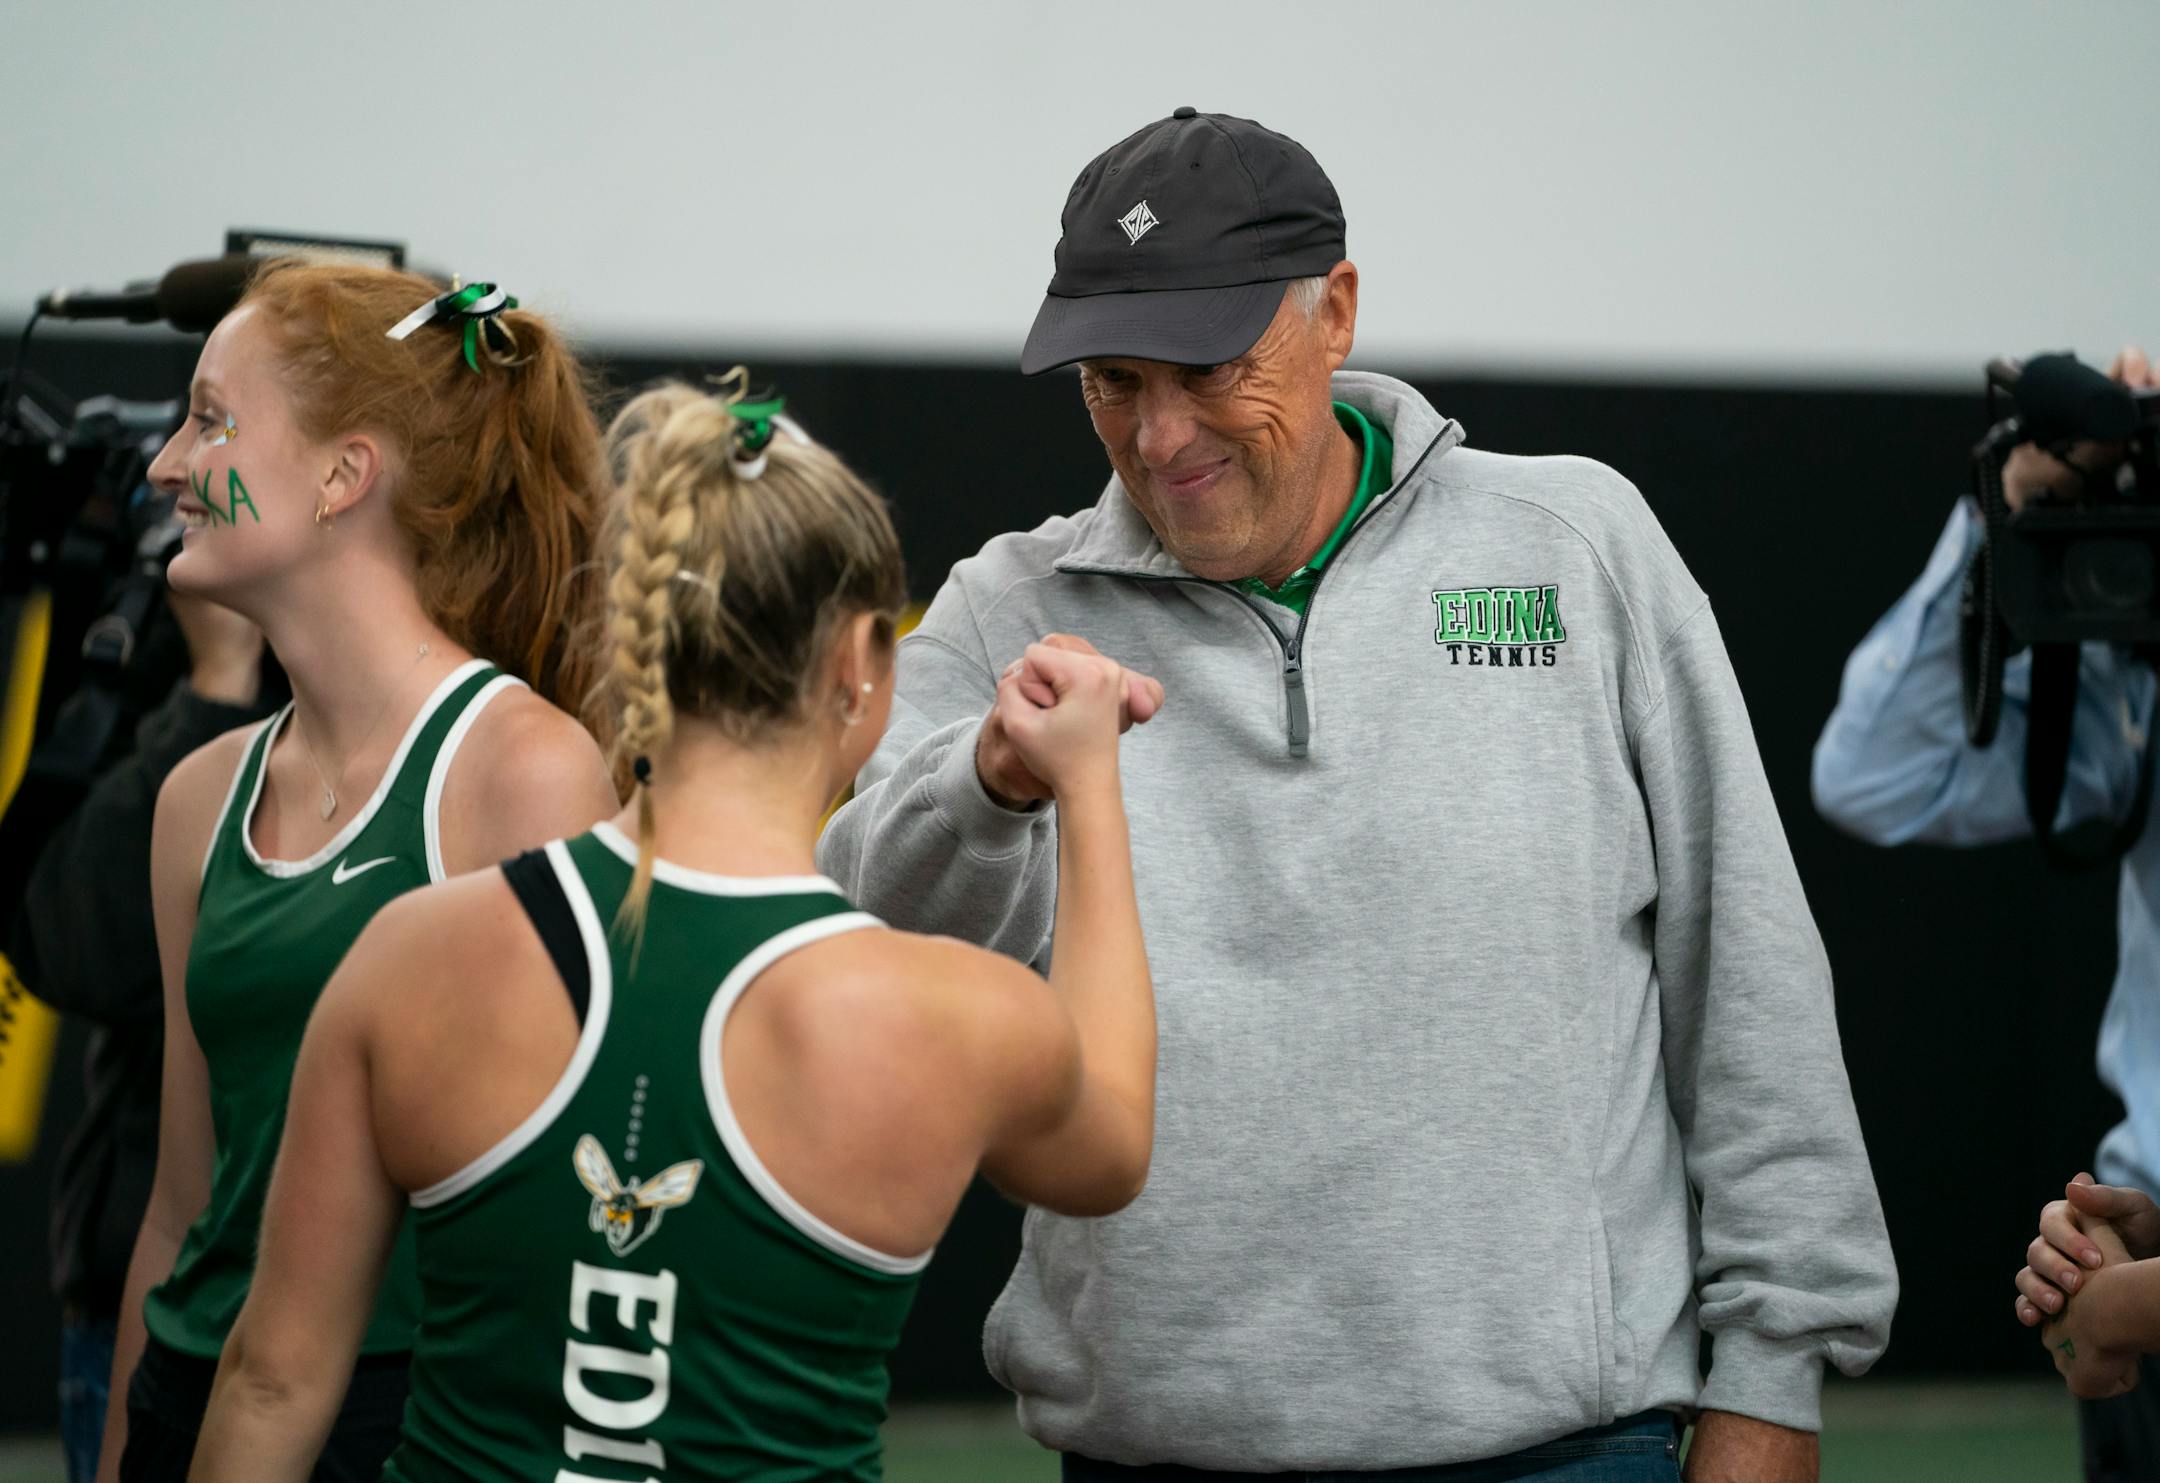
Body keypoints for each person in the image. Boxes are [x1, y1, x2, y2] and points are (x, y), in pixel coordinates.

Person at [819, 107, 1897, 1482]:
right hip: (1157, 1452)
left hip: (1569, 1449)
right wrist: (987, 786)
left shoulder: (1576, 546)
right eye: (1109, 379)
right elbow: (852, 961)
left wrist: (1773, 1378)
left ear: (1333, 310)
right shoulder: (1005, 612)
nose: (1157, 436)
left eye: (1206, 364)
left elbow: (1746, 972)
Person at [181, 379, 1159, 1482]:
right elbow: (1115, 1140)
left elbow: (271, 1380)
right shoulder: (944, 1018)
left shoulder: (411, 957)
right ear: (860, 667)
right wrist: (1089, 783)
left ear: (623, 640)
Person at [96, 262, 620, 1483]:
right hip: (194, 1398)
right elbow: (182, 1211)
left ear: (346, 474)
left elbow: (578, 1232)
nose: (167, 464)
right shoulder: (197, 801)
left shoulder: (525, 776)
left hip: (411, 1432)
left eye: (211, 418)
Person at [1813, 349, 2160, 1482]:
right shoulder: (2143, 683)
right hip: (2124, 1259)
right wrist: (2015, 504)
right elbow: (1872, 774)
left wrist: (2138, 1299)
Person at [12, 590, 274, 1483]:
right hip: (152, 1286)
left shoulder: (496, 744)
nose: (174, 472)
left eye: (211, 435)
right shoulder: (167, 633)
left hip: (376, 1335)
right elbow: (65, 941)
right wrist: (217, 679)